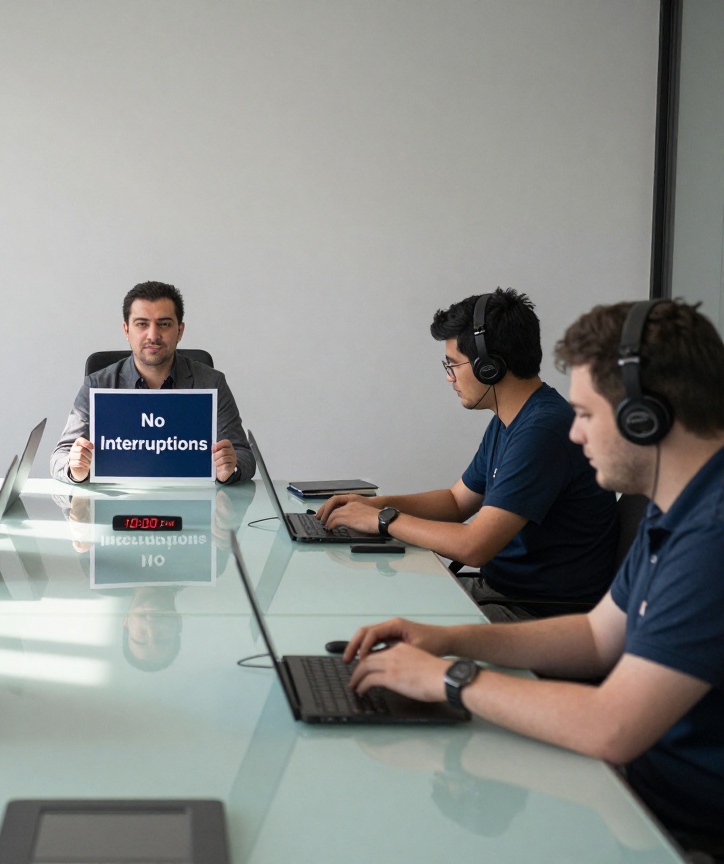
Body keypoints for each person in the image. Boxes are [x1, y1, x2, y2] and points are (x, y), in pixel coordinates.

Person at [341, 299, 724, 852]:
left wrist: (449, 678)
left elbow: (612, 728)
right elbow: (596, 636)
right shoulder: (674, 507)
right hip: (630, 794)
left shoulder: (711, 537)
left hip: (671, 828)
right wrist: (447, 639)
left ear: (647, 416)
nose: (575, 433)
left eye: (588, 415)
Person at [317, 288, 617, 621]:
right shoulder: (512, 419)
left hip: (535, 612)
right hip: (499, 592)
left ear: (489, 367)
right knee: (374, 599)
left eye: (453, 365)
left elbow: (475, 546)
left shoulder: (542, 431)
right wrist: (375, 503)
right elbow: (457, 502)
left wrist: (384, 521)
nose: (449, 377)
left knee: (382, 619)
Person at [50, 281, 254, 484]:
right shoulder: (96, 384)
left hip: (192, 504)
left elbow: (244, 455)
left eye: (164, 324)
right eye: (142, 324)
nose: (153, 335)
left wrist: (231, 469)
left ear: (180, 331)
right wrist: (74, 469)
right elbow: (60, 456)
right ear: (126, 330)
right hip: (117, 506)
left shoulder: (212, 382)